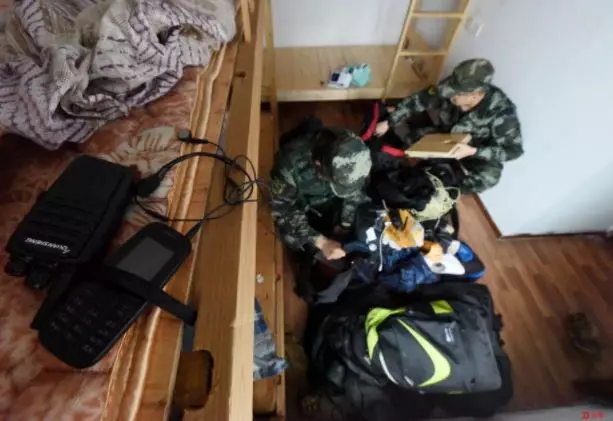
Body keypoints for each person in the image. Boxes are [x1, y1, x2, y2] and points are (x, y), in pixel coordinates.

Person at [375, 58, 523, 194]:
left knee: (490, 176)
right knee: (412, 141)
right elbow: (419, 100)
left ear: (475, 95)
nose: (451, 96)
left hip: (473, 149)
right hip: (446, 136)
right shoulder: (450, 86)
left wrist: (473, 151)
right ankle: (429, 168)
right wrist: (389, 122)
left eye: (456, 94)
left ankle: (449, 191)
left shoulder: (502, 112)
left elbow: (514, 150)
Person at [270, 127, 372, 260]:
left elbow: (354, 192)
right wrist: (321, 242)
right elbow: (283, 208)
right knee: (292, 238)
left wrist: (345, 225)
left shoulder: (355, 153)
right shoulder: (290, 163)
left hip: (328, 198)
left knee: (364, 214)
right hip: (303, 202)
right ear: (318, 166)